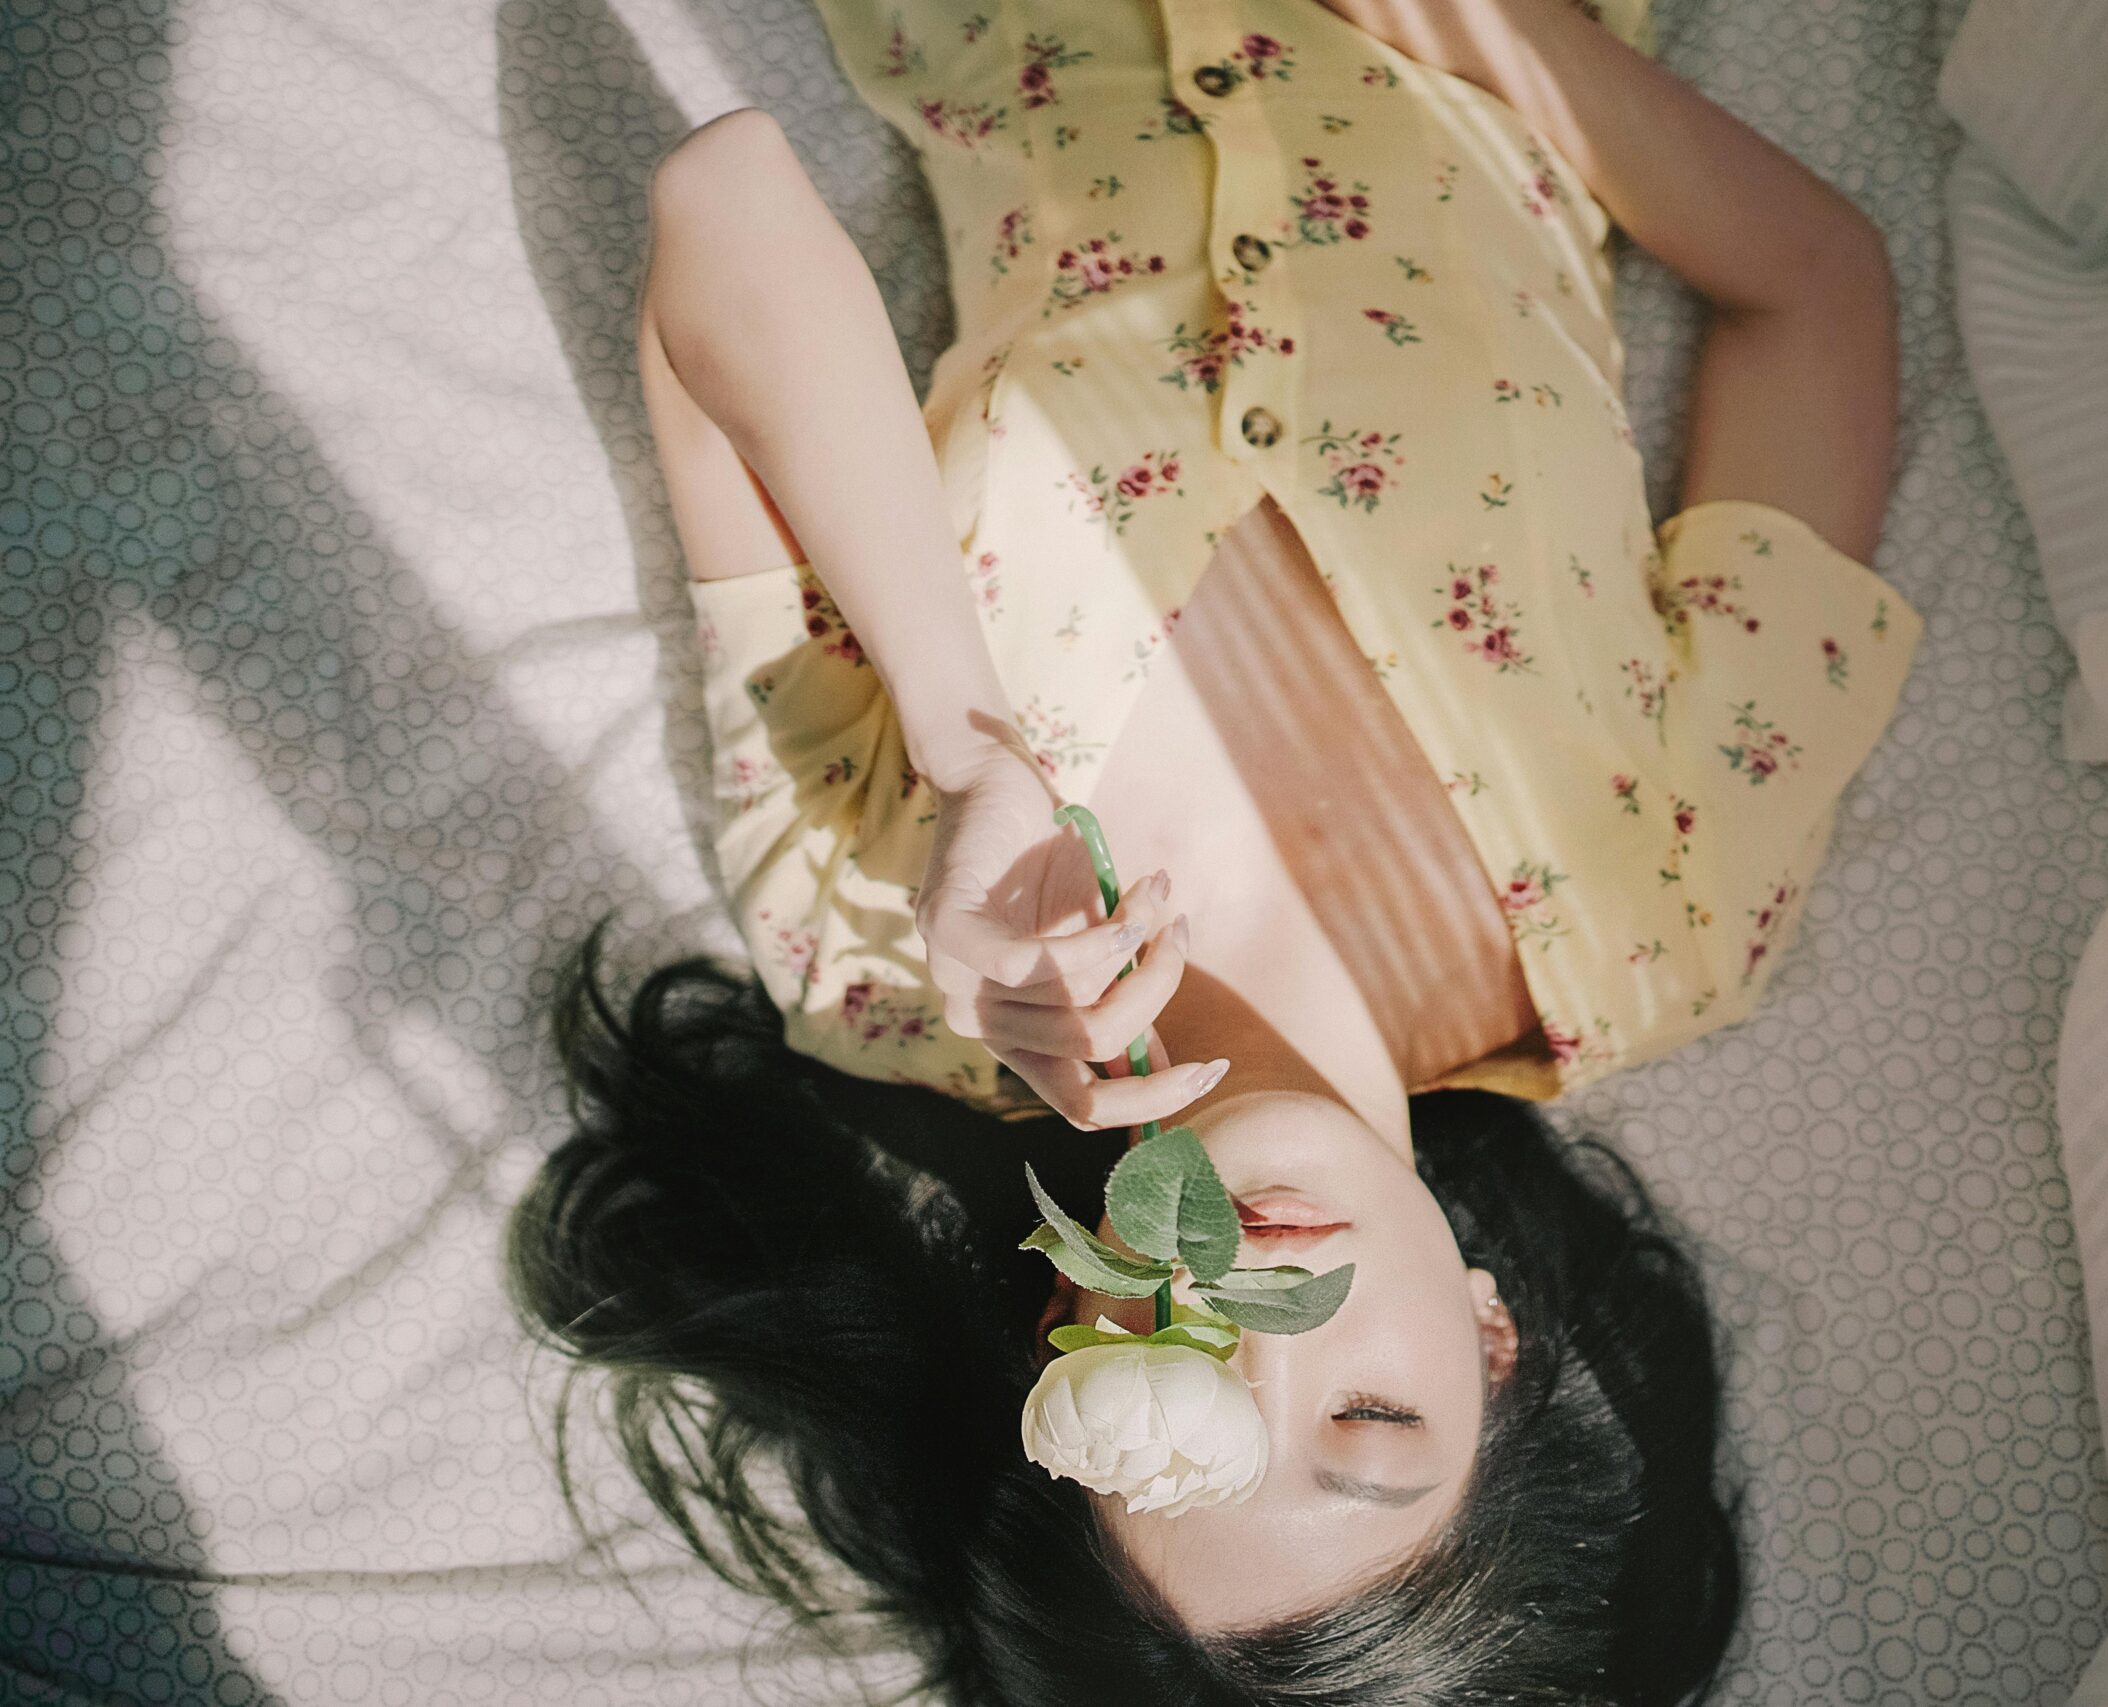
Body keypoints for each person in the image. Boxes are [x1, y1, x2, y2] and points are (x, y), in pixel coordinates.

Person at [507, 1, 1918, 1700]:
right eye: (1368, 1418)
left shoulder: (877, 950)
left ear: (1073, 1359)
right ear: (1492, 1340)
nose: (1262, 1326)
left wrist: (968, 747)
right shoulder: (1674, 915)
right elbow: (1817, 287)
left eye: (1194, 1415)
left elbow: (724, 205)